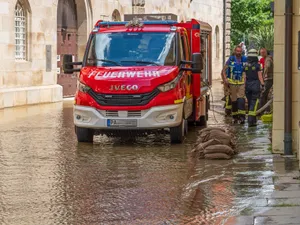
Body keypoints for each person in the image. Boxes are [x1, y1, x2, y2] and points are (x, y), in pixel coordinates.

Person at [222, 45, 247, 124]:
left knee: (241, 100)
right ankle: (235, 117)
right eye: (237, 51)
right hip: (232, 84)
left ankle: (242, 117)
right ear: (235, 51)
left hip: (241, 83)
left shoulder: (244, 59)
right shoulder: (231, 59)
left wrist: (246, 81)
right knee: (234, 101)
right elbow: (223, 70)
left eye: (240, 51)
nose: (239, 53)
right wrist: (225, 79)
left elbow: (246, 71)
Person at [243, 49, 265, 126]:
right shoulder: (257, 65)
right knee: (254, 103)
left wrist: (244, 86)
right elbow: (260, 76)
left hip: (248, 86)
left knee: (249, 103)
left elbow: (244, 77)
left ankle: (253, 120)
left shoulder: (245, 65)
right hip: (255, 85)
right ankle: (250, 120)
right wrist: (262, 85)